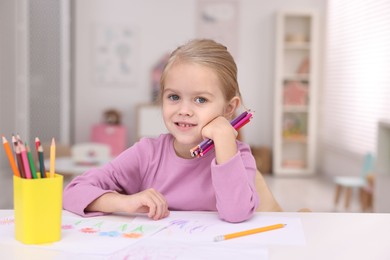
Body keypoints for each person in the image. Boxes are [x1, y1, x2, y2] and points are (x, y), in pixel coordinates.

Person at [63, 39, 259, 223]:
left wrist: (224, 138)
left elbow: (237, 213)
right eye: (174, 97)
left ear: (229, 108)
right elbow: (73, 192)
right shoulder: (147, 153)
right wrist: (125, 202)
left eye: (200, 100)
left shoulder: (239, 157)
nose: (184, 111)